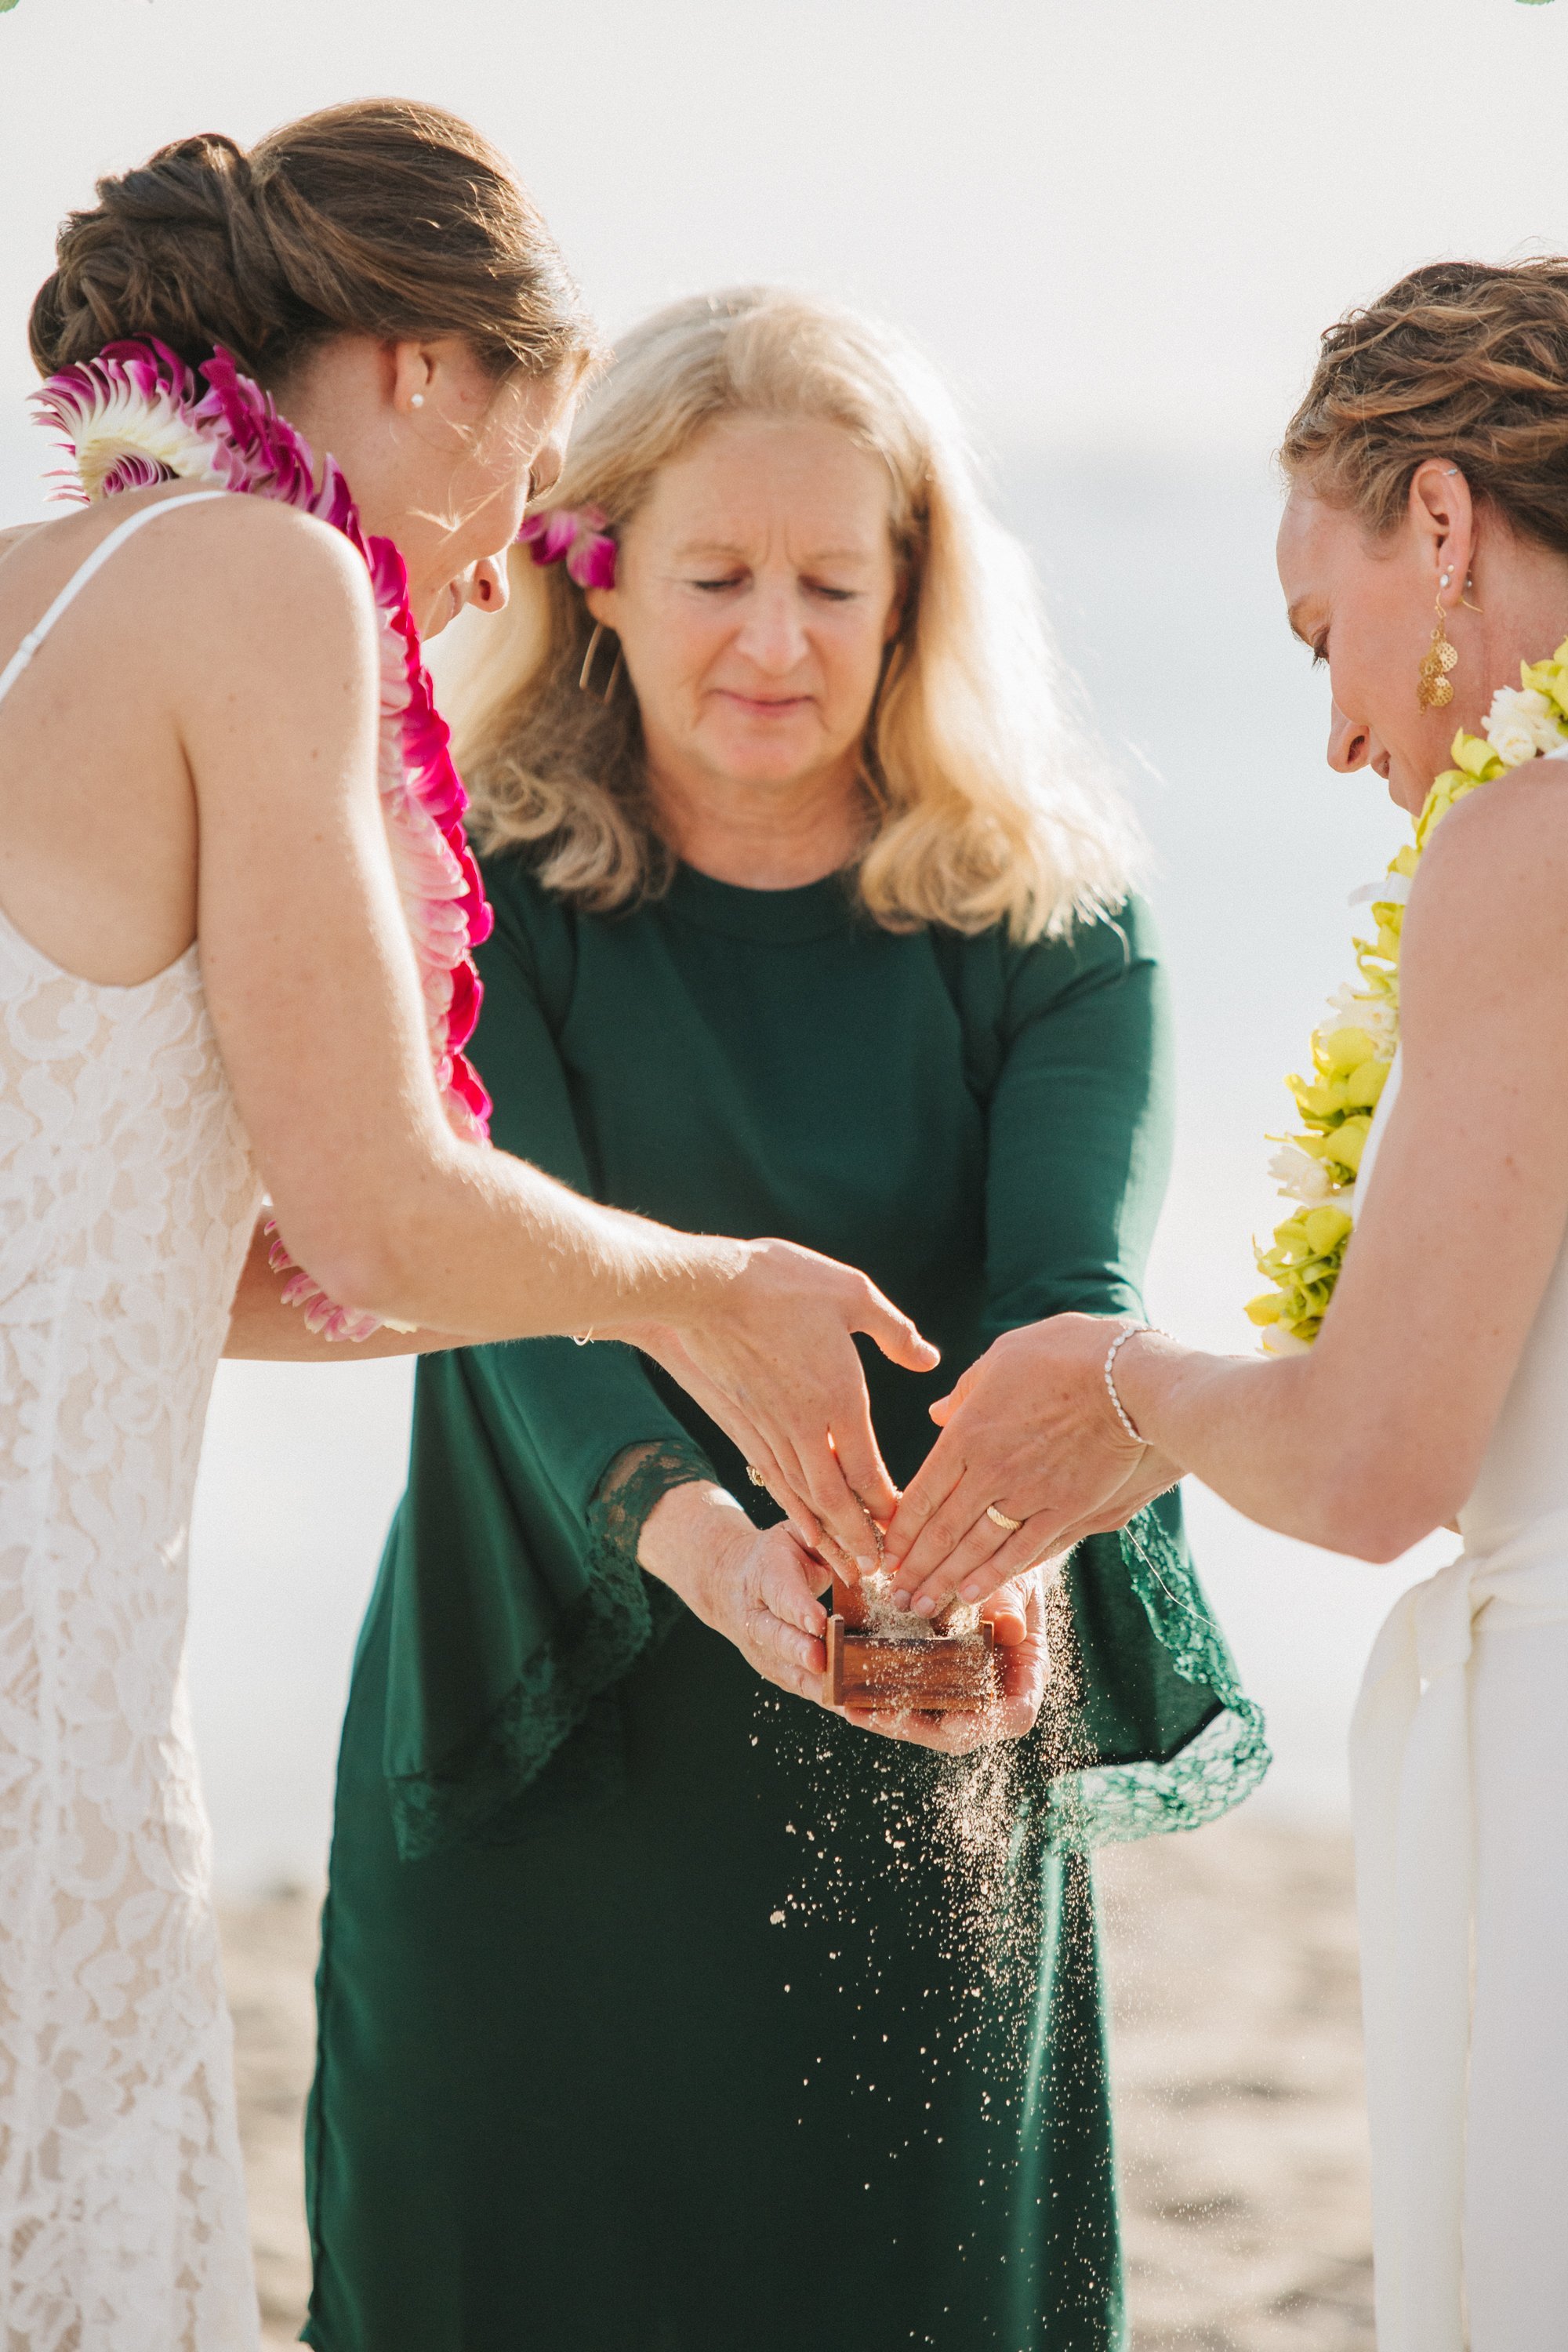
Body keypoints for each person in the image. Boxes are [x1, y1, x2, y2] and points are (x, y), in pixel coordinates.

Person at [0, 120, 937, 2352]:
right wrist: (714, 1291)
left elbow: (137, 1273)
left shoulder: (48, 582)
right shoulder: (260, 583)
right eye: (533, 450)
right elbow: (377, 1202)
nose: (520, 552)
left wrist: (603, 1313)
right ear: (427, 365)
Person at [291, 287, 1265, 2352]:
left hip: (920, 1713)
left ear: (919, 597)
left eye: (837, 581)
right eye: (718, 574)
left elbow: (1065, 1310)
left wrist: (988, 1574)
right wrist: (715, 1550)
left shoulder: (1056, 916)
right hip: (540, 1726)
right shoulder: (476, 889)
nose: (774, 641)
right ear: (600, 564)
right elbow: (504, 1297)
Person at [883, 257, 1568, 2352]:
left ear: (1439, 526)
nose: (1342, 729)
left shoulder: (1528, 843)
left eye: (1322, 632)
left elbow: (1376, 1467)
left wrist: (1121, 1381)